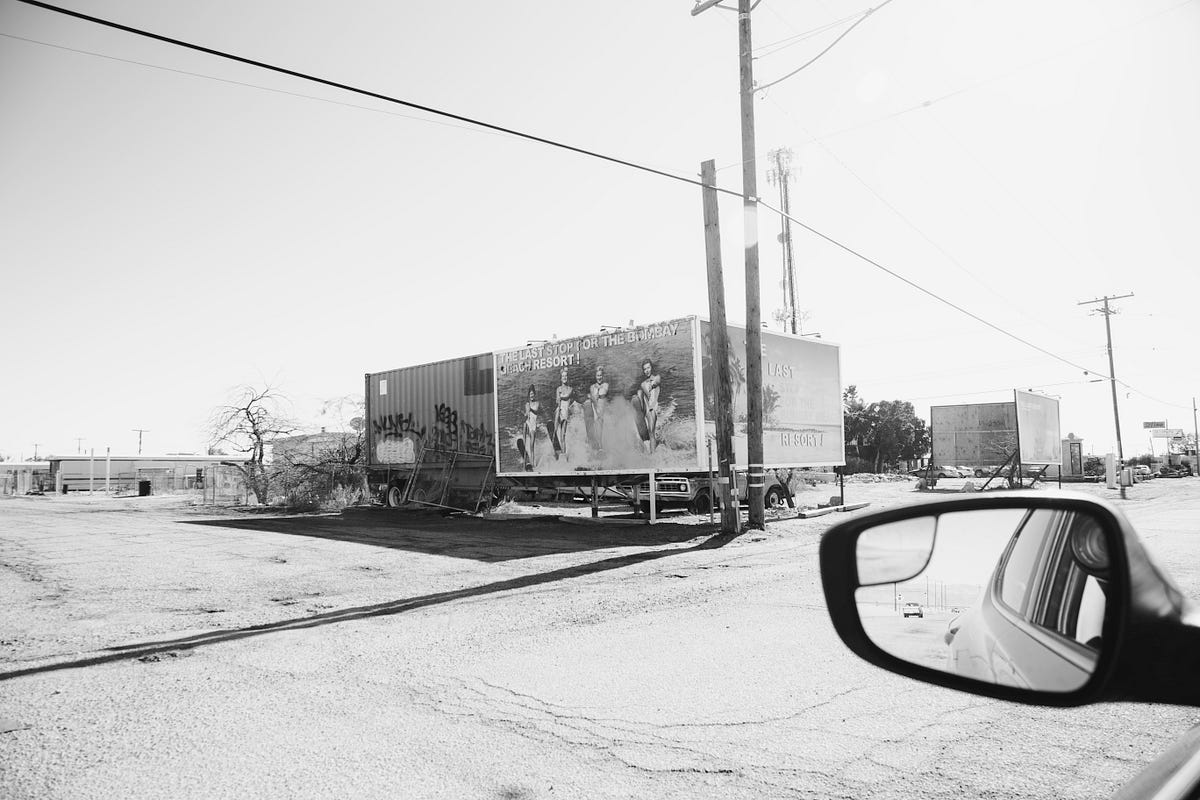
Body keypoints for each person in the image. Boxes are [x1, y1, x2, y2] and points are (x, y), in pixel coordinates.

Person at [632, 358, 660, 452]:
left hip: (653, 408)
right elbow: (643, 394)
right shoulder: (643, 384)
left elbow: (656, 382)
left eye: (648, 368)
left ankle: (653, 455)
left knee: (651, 432)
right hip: (647, 409)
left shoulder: (657, 377)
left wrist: (653, 384)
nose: (647, 370)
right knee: (638, 394)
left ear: (651, 368)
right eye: (645, 369)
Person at [584, 365, 609, 456]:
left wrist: (592, 396)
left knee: (600, 426)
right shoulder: (592, 387)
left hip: (601, 410)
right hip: (595, 410)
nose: (599, 377)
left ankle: (600, 448)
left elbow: (603, 392)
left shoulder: (605, 385)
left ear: (603, 376)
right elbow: (593, 398)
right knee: (594, 426)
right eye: (598, 375)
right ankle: (597, 448)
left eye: (601, 375)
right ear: (595, 376)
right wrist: (591, 397)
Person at [553, 367, 574, 461]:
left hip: (565, 412)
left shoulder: (570, 389)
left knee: (563, 435)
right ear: (561, 378)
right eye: (563, 376)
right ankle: (554, 432)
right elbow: (558, 400)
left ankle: (563, 454)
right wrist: (559, 396)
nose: (564, 378)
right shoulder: (558, 389)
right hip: (559, 410)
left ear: (567, 378)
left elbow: (566, 396)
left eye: (566, 376)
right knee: (557, 411)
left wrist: (561, 395)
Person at [519, 385, 541, 471]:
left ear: (534, 394)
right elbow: (527, 414)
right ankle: (524, 454)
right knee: (525, 425)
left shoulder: (537, 403)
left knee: (532, 446)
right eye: (530, 394)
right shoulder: (527, 404)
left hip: (533, 425)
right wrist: (525, 414)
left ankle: (533, 462)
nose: (531, 395)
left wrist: (530, 409)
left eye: (533, 394)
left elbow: (536, 411)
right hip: (528, 423)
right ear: (529, 395)